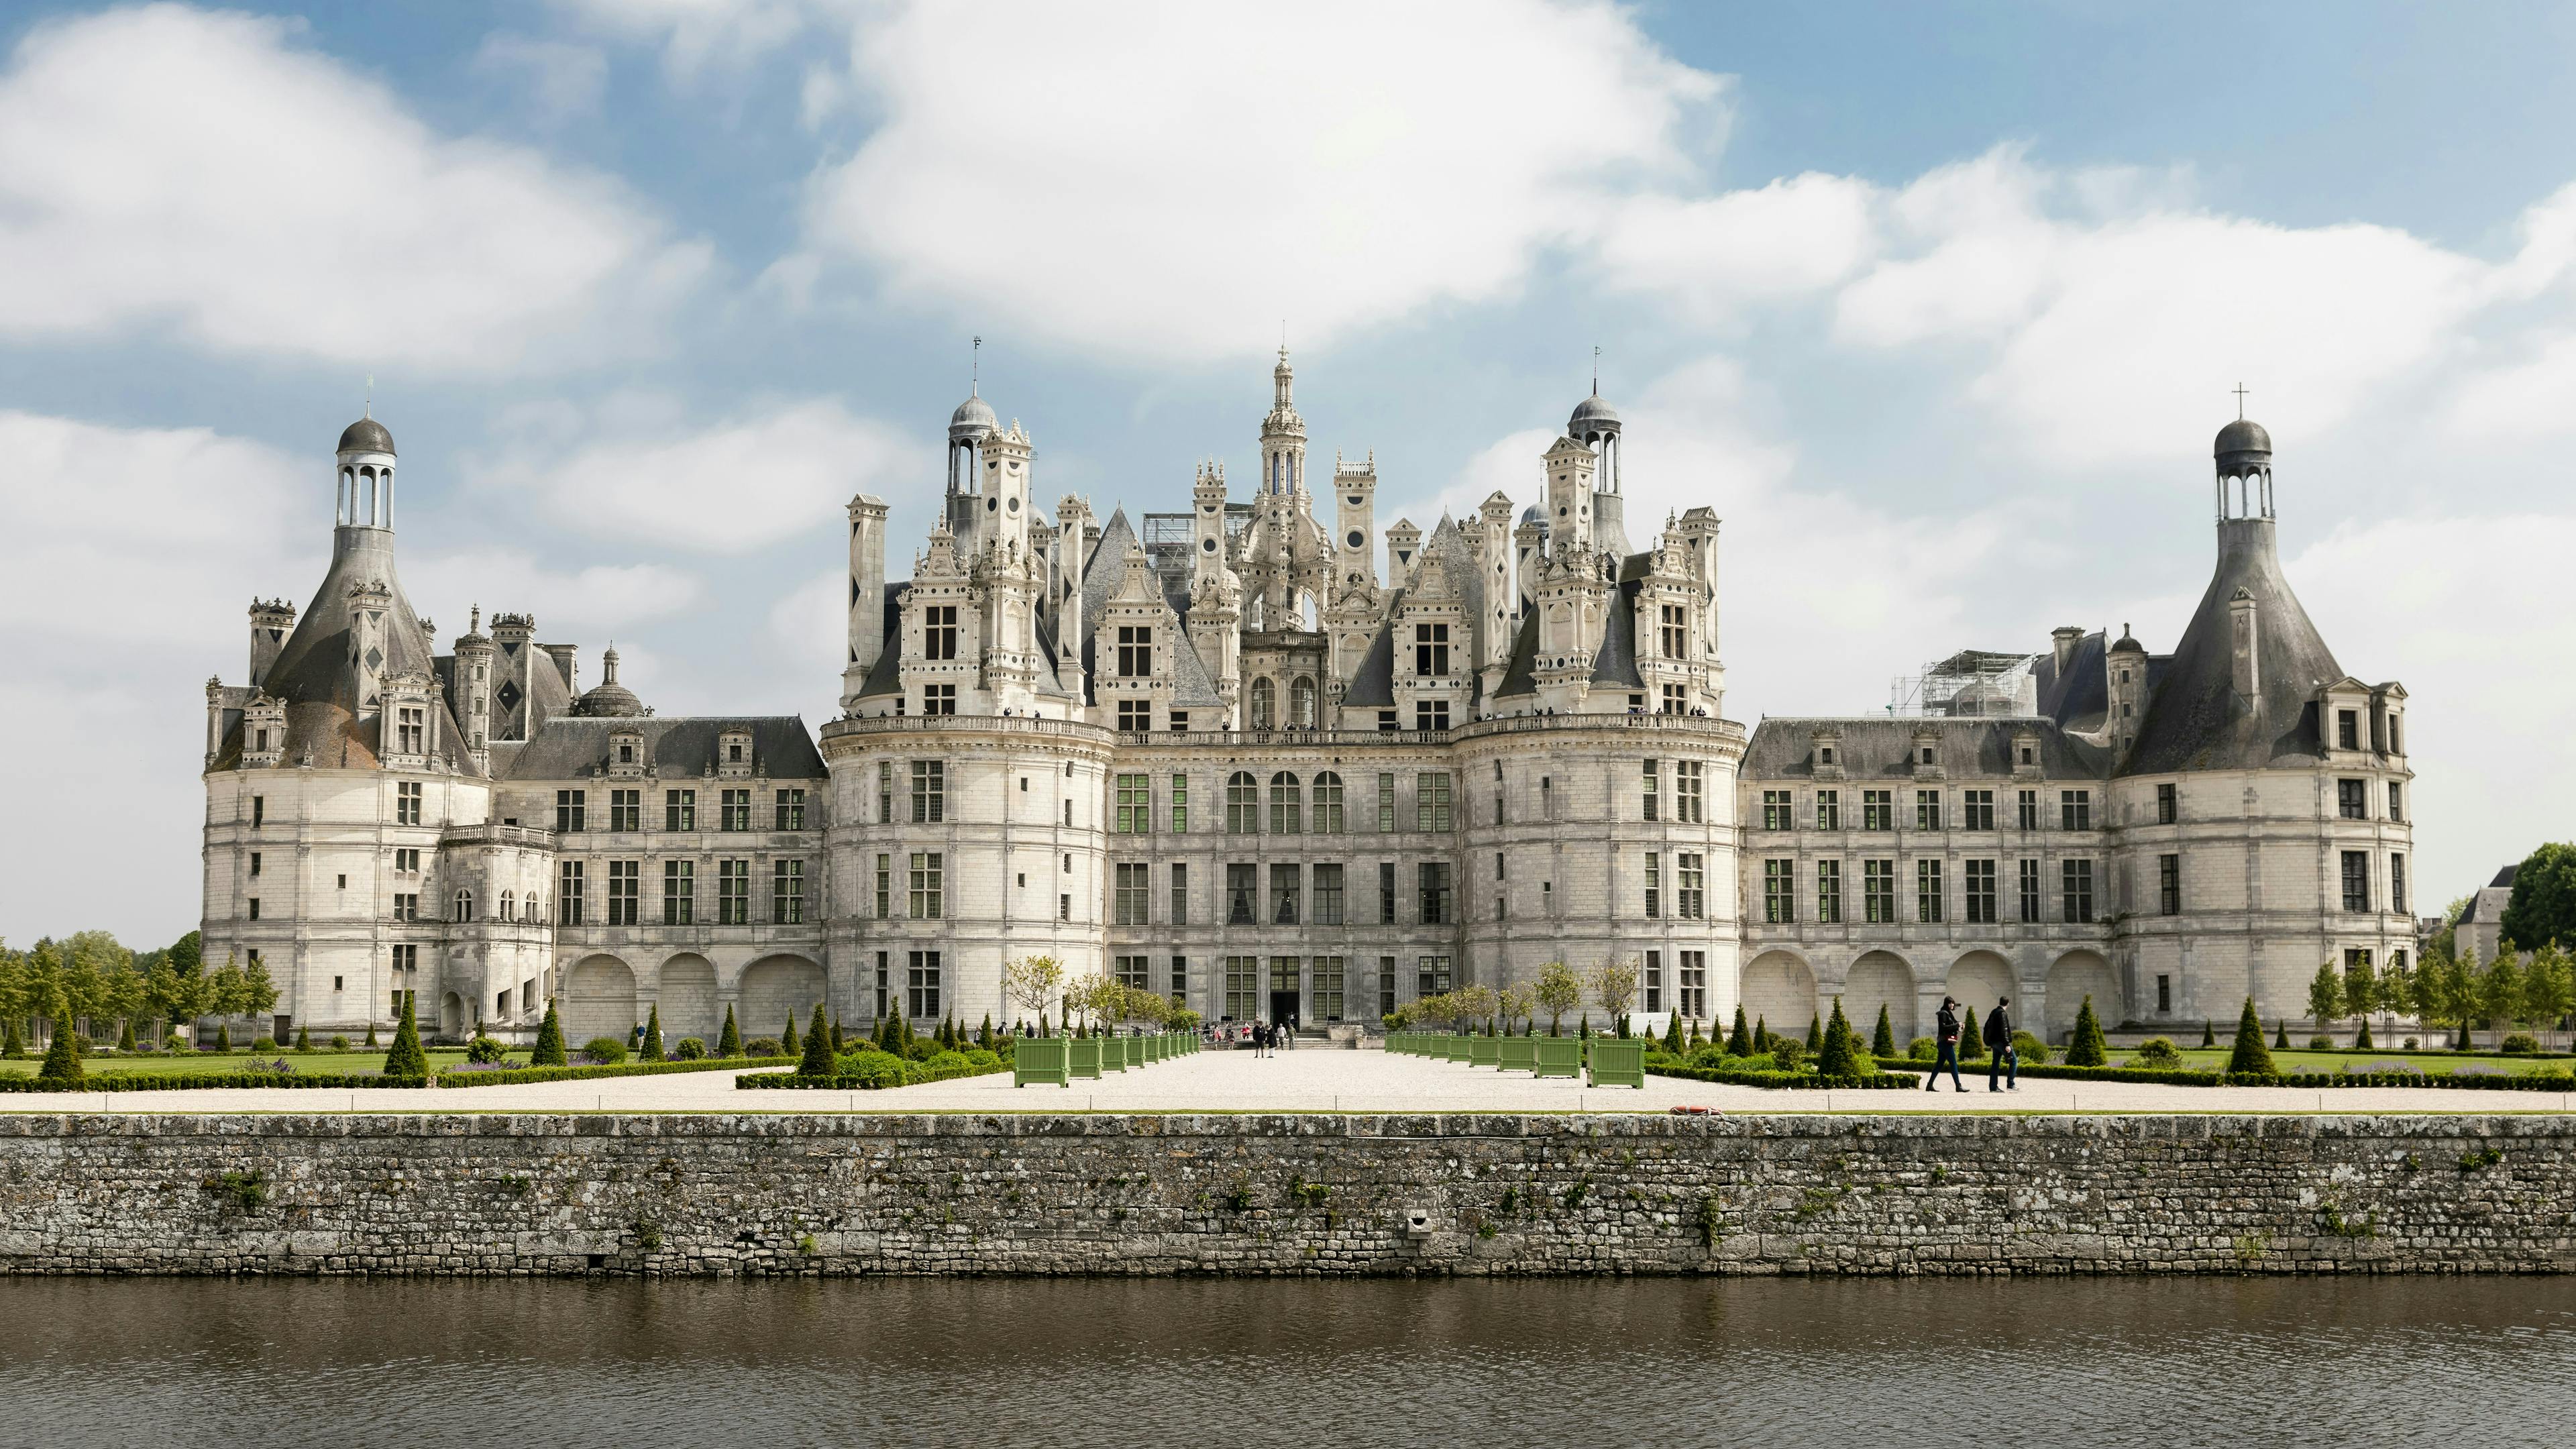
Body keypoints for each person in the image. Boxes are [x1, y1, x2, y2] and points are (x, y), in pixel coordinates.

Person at [1925, 996, 1965, 1092]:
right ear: (1946, 1004)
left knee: (1939, 1065)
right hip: (1944, 1042)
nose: (1952, 1005)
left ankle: (1929, 1085)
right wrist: (1956, 1025)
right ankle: (1958, 1086)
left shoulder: (1949, 1014)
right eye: (1950, 1003)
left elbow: (1954, 1024)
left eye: (1953, 1003)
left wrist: (1960, 1025)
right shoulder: (1943, 1013)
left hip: (1944, 1042)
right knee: (1953, 1063)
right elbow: (1943, 1028)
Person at [1986, 998, 2019, 1091]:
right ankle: (2011, 1085)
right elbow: (2004, 1030)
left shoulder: (1994, 1012)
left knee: (1995, 1064)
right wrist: (2007, 1044)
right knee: (2014, 1061)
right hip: (2001, 1042)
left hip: (1995, 1042)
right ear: (2008, 1004)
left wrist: (1991, 1043)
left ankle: (1993, 1087)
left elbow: (1989, 1028)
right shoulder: (2002, 1013)